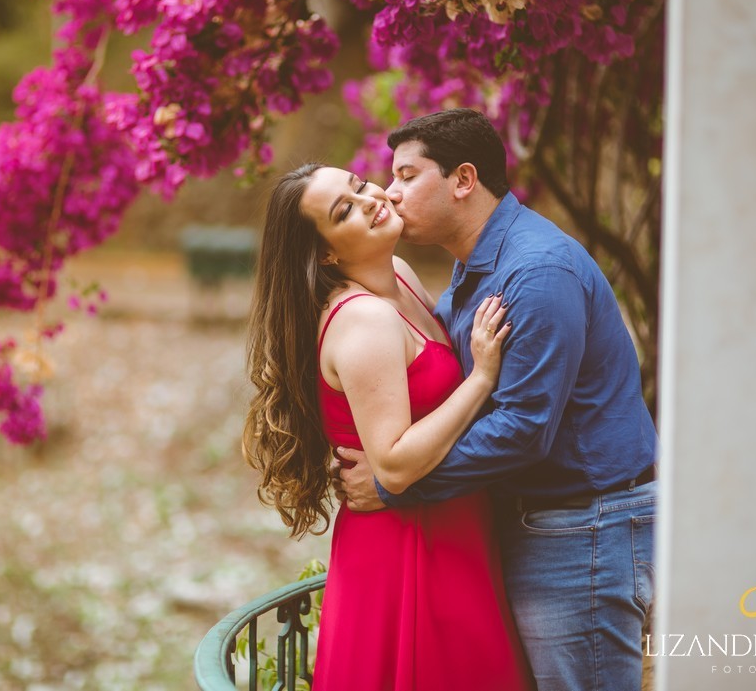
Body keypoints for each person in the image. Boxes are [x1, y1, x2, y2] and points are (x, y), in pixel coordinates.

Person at [334, 108, 659, 691]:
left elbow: (522, 428)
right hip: (544, 524)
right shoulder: (475, 265)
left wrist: (396, 485)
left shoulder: (535, 273)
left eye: (407, 176)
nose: (390, 191)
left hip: (583, 530)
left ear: (463, 180)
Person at [243, 162, 530, 691]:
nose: (371, 199)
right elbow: (393, 465)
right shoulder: (363, 319)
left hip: (453, 528)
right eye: (344, 211)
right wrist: (482, 378)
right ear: (326, 253)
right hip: (409, 548)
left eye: (359, 186)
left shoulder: (400, 275)